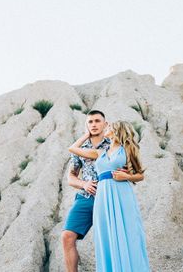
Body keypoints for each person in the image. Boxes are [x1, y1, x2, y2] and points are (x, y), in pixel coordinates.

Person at [68, 120, 150, 272]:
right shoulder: (100, 153)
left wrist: (126, 177)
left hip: (122, 194)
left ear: (117, 130)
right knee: (106, 234)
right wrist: (87, 134)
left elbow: (140, 175)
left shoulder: (128, 149)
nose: (106, 128)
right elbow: (72, 148)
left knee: (127, 232)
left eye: (110, 127)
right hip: (102, 197)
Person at [61, 110, 110, 272]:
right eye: (90, 122)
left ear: (105, 124)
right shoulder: (80, 148)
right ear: (86, 125)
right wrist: (84, 184)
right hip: (85, 197)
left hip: (109, 197)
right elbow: (71, 177)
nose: (94, 124)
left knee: (110, 239)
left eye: (97, 121)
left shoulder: (112, 144)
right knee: (67, 237)